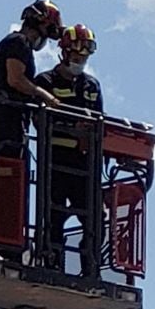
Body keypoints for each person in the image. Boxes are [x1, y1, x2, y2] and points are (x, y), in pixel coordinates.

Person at [33, 24, 104, 273]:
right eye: (76, 57)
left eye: (84, 58)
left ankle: (91, 267)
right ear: (64, 53)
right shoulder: (45, 82)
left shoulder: (92, 86)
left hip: (85, 162)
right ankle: (52, 263)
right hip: (56, 161)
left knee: (96, 218)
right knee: (54, 217)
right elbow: (39, 120)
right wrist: (74, 126)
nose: (80, 61)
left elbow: (99, 121)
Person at [0, 0, 64, 160]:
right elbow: (16, 79)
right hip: (10, 122)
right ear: (40, 23)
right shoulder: (20, 42)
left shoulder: (9, 41)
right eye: (49, 29)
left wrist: (0, 104)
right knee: (11, 170)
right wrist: (45, 96)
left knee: (5, 171)